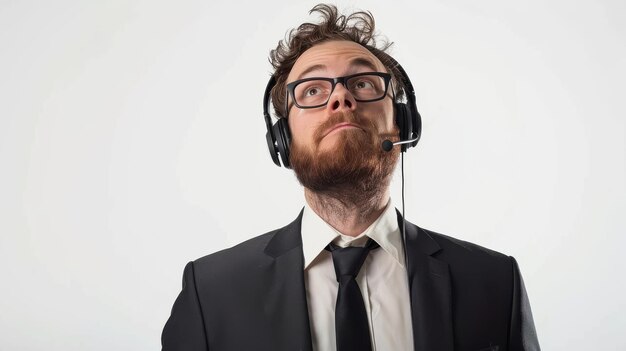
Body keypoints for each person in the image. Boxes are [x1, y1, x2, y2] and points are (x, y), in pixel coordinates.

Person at [161, 4, 540, 351]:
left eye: (362, 83)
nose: (340, 99)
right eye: (312, 90)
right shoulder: (210, 293)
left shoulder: (494, 281)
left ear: (402, 123)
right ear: (282, 140)